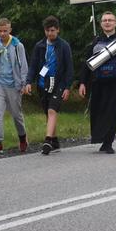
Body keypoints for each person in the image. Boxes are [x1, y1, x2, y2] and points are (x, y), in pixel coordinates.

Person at [78, 11, 116, 154]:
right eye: (104, 20)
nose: (107, 22)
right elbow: (87, 64)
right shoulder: (95, 42)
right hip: (99, 82)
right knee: (99, 110)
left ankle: (108, 143)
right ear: (100, 24)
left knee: (112, 110)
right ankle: (100, 138)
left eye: (110, 20)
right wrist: (82, 83)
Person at [25, 15, 74, 155]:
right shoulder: (40, 46)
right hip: (43, 83)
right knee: (48, 112)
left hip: (58, 83)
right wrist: (29, 82)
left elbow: (69, 68)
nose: (50, 33)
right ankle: (55, 140)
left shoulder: (64, 46)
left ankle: (47, 141)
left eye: (52, 30)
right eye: (47, 30)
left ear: (58, 30)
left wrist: (67, 87)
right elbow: (33, 66)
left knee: (52, 110)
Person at [0, 18, 29, 154]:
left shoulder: (17, 46)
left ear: (10, 30)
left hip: (14, 85)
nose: (2, 34)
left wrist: (24, 83)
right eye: (0, 31)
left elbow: (24, 66)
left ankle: (22, 138)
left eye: (5, 31)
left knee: (16, 115)